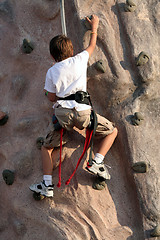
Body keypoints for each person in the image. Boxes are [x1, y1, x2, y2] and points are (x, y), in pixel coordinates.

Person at [29, 15, 118, 198]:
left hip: (63, 116)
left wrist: (47, 93)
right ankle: (97, 162)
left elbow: (52, 97)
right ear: (71, 51)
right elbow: (91, 46)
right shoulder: (79, 60)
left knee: (46, 147)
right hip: (84, 113)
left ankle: (47, 185)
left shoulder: (51, 71)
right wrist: (94, 27)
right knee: (112, 131)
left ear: (52, 56)